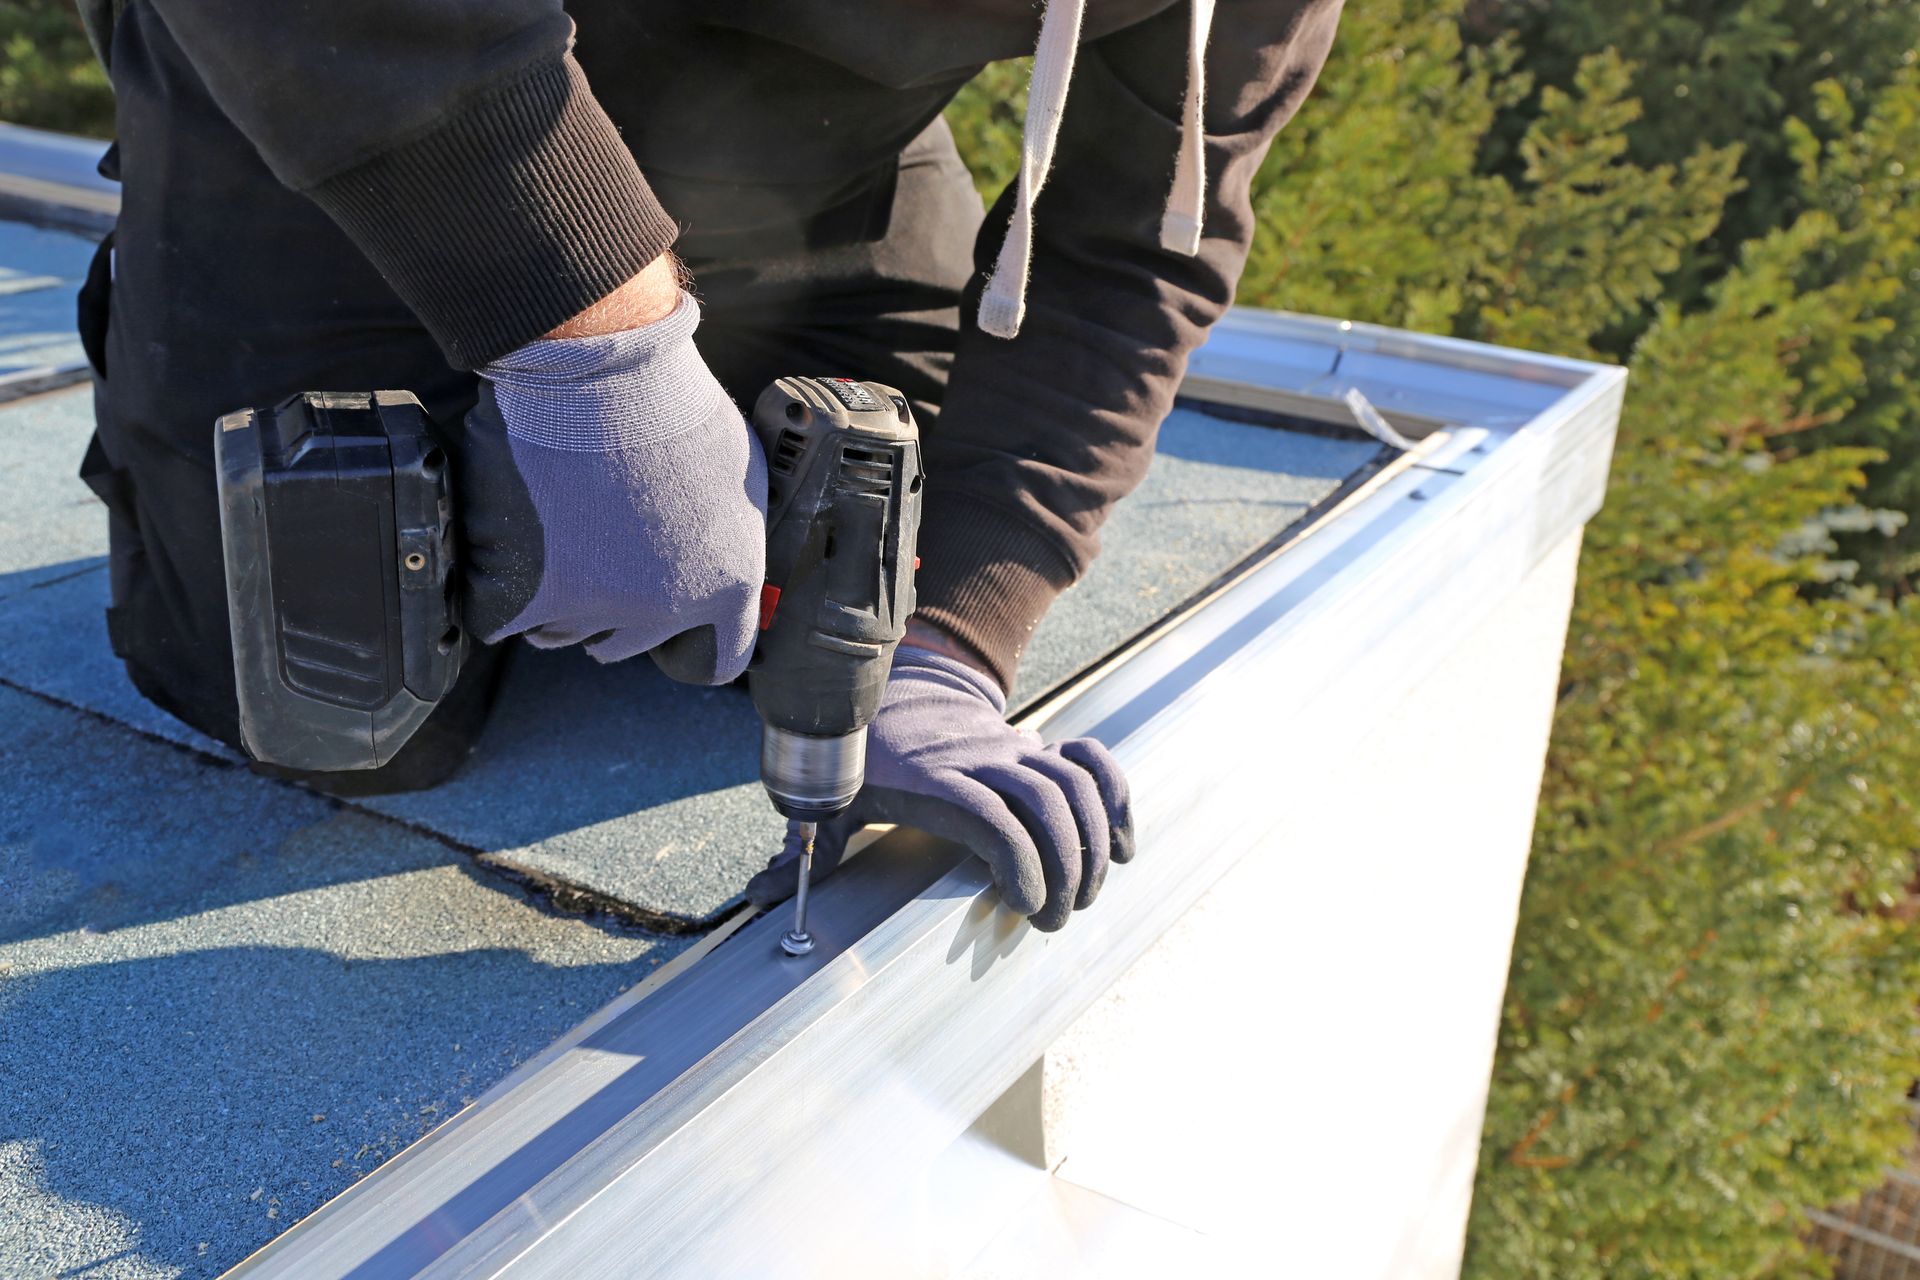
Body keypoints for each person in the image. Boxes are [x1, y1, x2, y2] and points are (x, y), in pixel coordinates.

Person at [70, 0, 1345, 932]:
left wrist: (950, 644)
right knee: (342, 712)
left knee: (867, 523)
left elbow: (1137, 243)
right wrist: (600, 360)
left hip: (810, 151)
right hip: (333, 77)